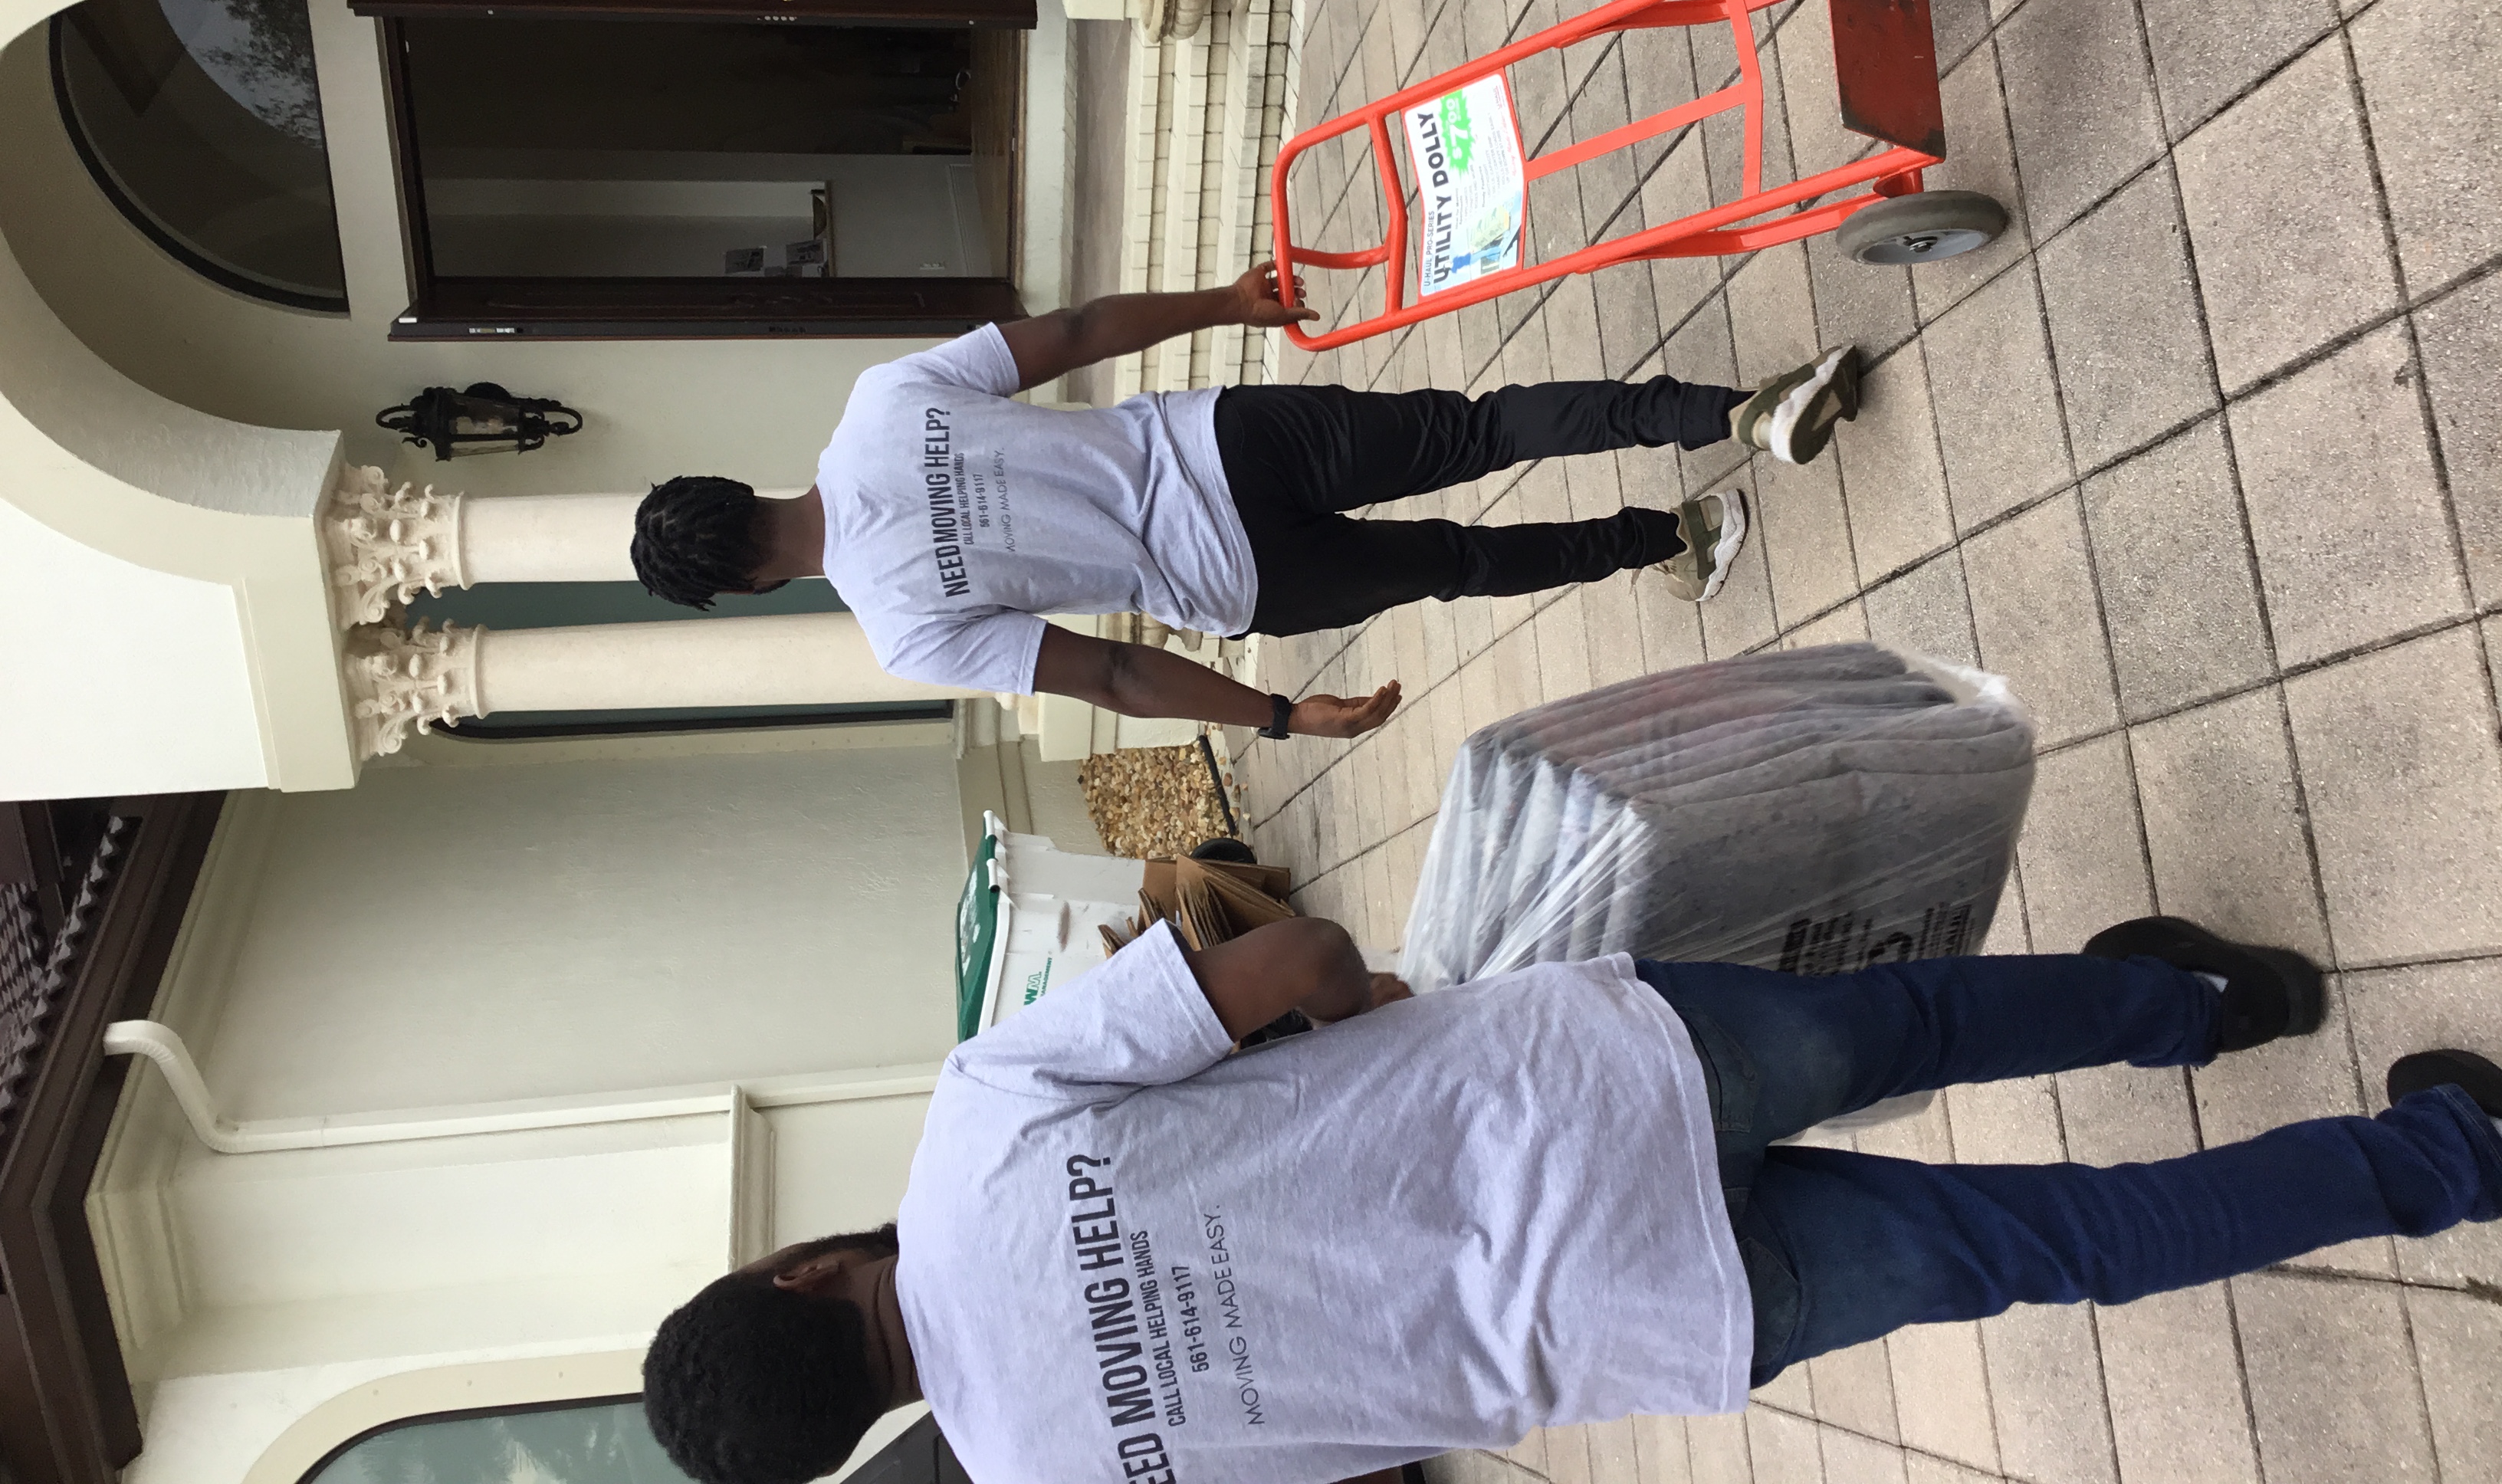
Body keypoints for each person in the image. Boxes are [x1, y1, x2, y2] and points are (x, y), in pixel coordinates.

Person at [640, 913, 2502, 1484]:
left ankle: (2452, 1160)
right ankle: (2204, 1005)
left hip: (1636, 1310)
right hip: (1586, 1087)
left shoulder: (1056, 1481)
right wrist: (1368, 1024)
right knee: (1911, 1018)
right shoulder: (974, 1132)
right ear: (806, 1272)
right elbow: (1280, 953)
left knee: (2060, 1249)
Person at [629, 264, 1860, 740]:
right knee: (1477, 430)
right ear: (737, 486)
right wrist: (1226, 302)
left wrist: (1276, 717)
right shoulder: (881, 404)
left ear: (742, 584)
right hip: (1228, 440)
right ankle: (1735, 414)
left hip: (1235, 580)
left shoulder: (902, 631)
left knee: (1455, 560)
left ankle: (1672, 534)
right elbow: (1069, 332)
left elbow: (1111, 677)